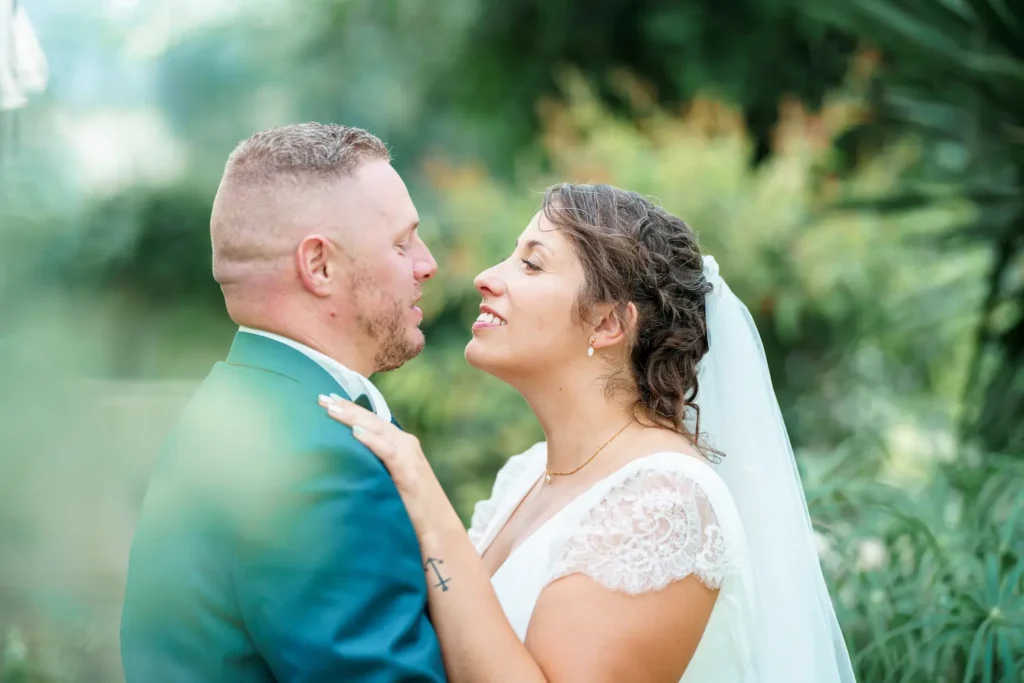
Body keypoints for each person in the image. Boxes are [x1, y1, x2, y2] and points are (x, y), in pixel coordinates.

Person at [320, 183, 857, 682]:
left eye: (531, 264)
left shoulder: (664, 503)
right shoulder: (527, 473)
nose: (487, 276)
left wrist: (427, 502)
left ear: (608, 324)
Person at [120, 123, 447, 682]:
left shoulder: (245, 408)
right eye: (401, 242)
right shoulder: (317, 464)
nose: (427, 263)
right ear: (319, 266)